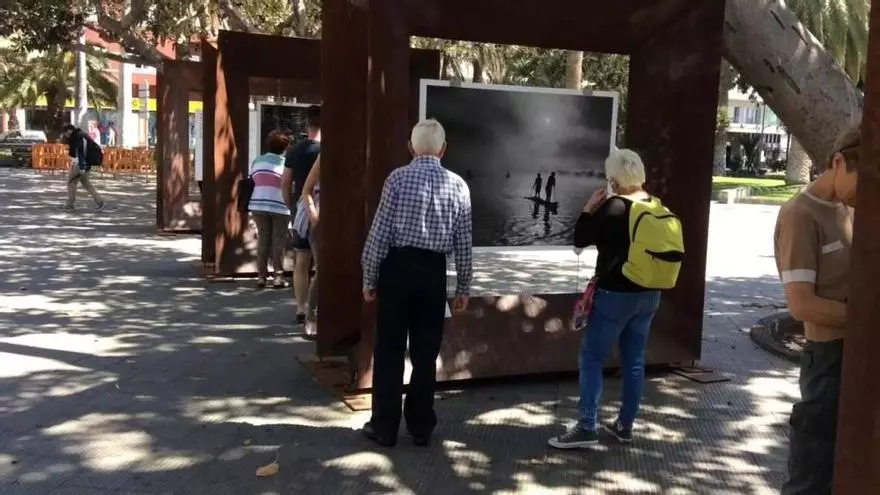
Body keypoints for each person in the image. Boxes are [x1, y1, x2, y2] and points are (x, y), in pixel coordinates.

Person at [548, 148, 682, 449]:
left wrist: (588, 208)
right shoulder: (655, 205)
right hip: (649, 295)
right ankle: (624, 425)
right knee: (634, 359)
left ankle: (586, 427)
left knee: (592, 357)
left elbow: (580, 239)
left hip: (615, 296)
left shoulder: (613, 208)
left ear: (613, 179)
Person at [360, 119, 473, 447]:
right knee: (426, 352)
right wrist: (463, 287)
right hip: (433, 273)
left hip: (396, 268)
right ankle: (421, 425)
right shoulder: (458, 186)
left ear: (410, 148)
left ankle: (384, 426)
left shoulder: (396, 179)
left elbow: (379, 232)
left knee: (390, 350)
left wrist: (369, 276)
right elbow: (463, 243)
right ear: (444, 149)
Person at [774, 124, 860, 495]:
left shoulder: (850, 207)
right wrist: (867, 319)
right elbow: (801, 304)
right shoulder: (800, 215)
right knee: (812, 476)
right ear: (838, 162)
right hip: (828, 362)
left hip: (857, 357)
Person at [282, 105, 321, 326]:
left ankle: (300, 307)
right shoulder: (327, 150)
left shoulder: (295, 150)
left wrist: (291, 207)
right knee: (321, 267)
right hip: (321, 211)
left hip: (300, 210)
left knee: (301, 260)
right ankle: (314, 310)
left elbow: (285, 182)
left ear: (307, 123)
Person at [249, 130, 292, 289]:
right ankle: (278, 277)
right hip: (280, 205)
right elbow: (289, 183)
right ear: (285, 147)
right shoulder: (285, 163)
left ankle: (261, 276)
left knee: (263, 239)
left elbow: (253, 179)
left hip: (258, 204)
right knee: (278, 241)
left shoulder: (257, 161)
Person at [297, 154, 321, 337]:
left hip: (351, 220)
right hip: (322, 223)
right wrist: (313, 216)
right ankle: (311, 316)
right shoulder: (325, 155)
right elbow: (306, 190)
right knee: (323, 270)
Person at [60, 124, 105, 212]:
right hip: (85, 163)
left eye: (65, 133)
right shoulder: (79, 135)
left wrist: (82, 167)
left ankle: (70, 204)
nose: (65, 135)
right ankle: (99, 202)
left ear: (69, 130)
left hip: (80, 163)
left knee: (71, 182)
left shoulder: (78, 137)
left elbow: (81, 152)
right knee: (86, 183)